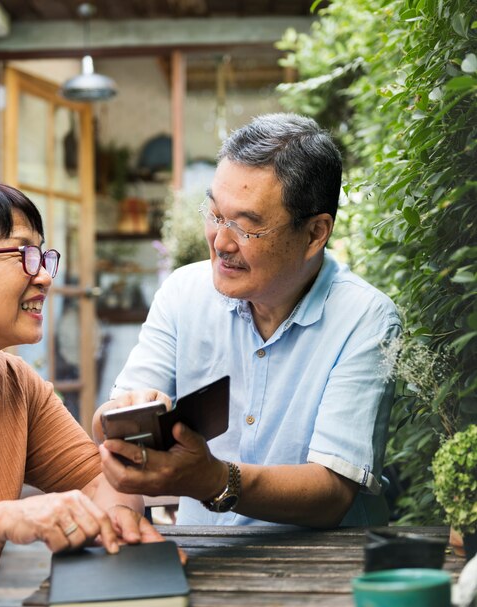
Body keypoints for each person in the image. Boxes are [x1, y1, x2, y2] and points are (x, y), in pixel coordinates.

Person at [94, 113, 402, 529]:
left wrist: (216, 480)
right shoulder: (183, 294)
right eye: (216, 214)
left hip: (323, 569)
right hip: (203, 558)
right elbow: (114, 421)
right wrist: (124, 421)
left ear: (314, 234)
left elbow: (332, 492)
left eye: (246, 226)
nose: (221, 242)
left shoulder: (366, 318)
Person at [0, 178, 163, 607]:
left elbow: (100, 481)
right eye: (20, 254)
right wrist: (8, 516)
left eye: (44, 255)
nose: (45, 275)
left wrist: (118, 516)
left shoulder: (17, 383)